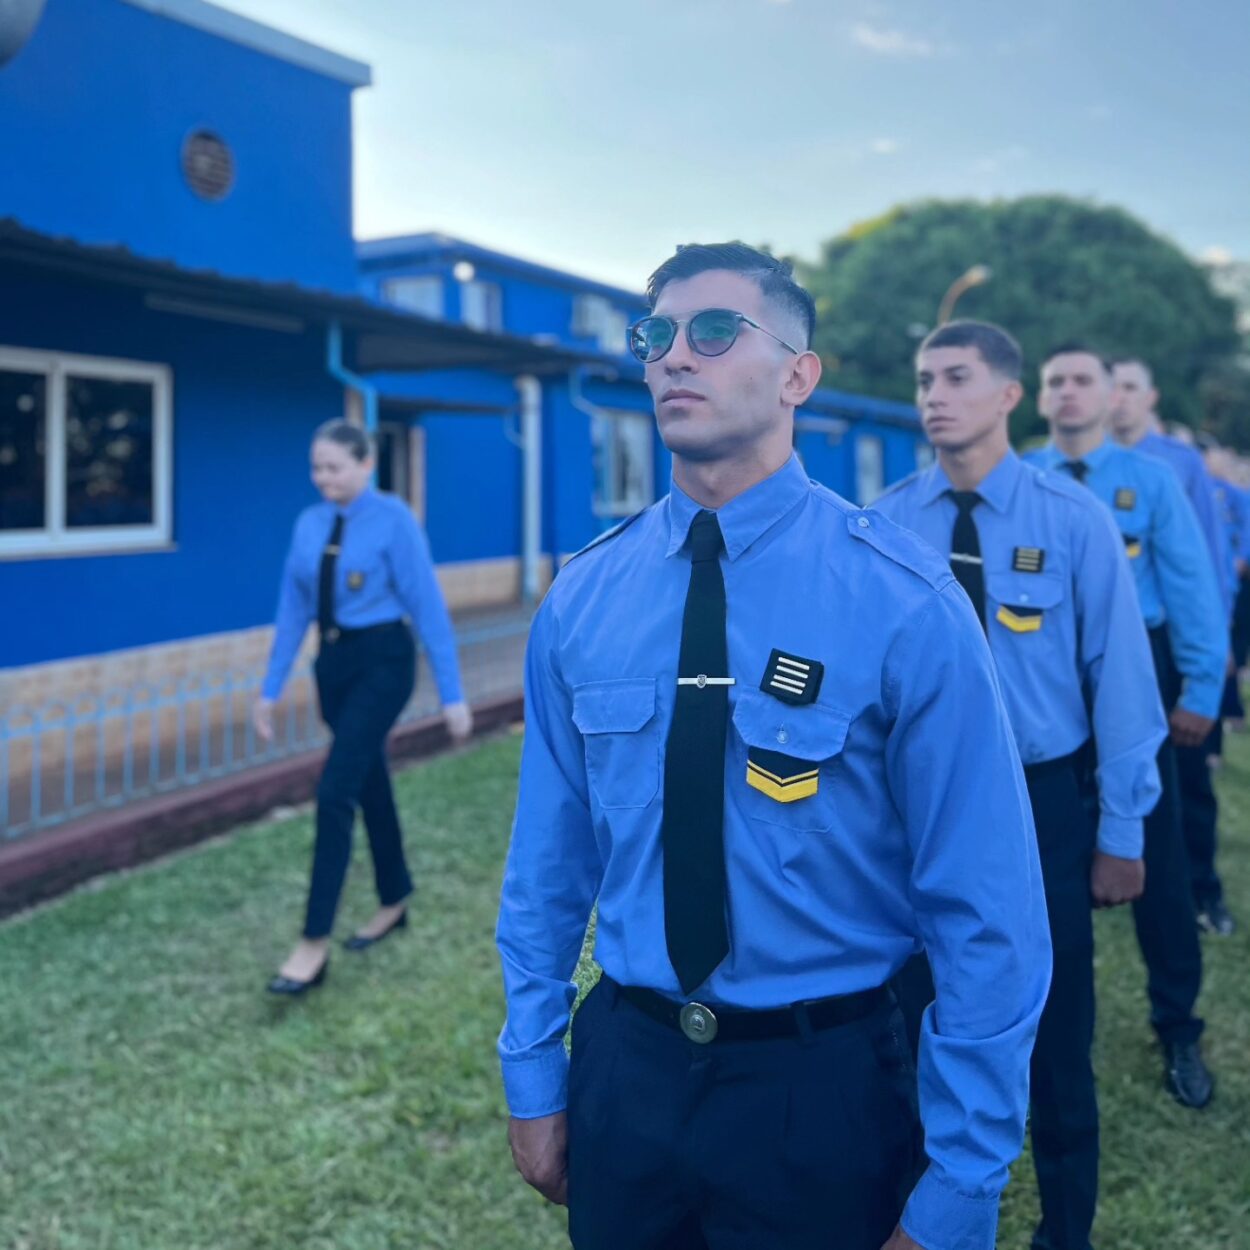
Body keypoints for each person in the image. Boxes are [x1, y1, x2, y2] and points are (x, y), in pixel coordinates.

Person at [495, 243, 1051, 1250]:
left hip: (822, 1083)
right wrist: (533, 1071)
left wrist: (963, 1176)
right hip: (629, 1067)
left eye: (712, 332)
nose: (672, 357)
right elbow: (547, 862)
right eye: (653, 336)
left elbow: (986, 908)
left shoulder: (902, 599)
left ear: (798, 373)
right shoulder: (583, 595)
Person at [873, 321, 1165, 1250]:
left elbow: (1121, 683)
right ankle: (923, 1215)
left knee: (1055, 1026)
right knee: (916, 1012)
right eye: (924, 379)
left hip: (1042, 805)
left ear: (1008, 395)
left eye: (956, 377)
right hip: (917, 809)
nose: (933, 396)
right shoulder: (882, 524)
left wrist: (1123, 828)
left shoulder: (1071, 519)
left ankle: (1064, 1230)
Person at [1026, 347, 1225, 1107]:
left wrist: (1202, 685)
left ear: (1113, 397)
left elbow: (1191, 586)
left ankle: (1179, 1028)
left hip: (1143, 674)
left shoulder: (1151, 482)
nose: (1068, 392)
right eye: (1056, 380)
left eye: (1083, 380)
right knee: (1040, 867)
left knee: (1158, 860)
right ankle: (1035, 1024)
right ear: (1035, 397)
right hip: (1047, 685)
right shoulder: (1020, 478)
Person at [255, 419, 472, 995]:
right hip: (333, 667)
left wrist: (452, 695)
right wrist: (270, 688)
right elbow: (291, 609)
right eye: (315, 467)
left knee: (335, 790)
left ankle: (312, 945)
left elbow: (427, 605)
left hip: (383, 662)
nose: (321, 477)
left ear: (364, 464)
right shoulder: (309, 523)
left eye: (333, 466)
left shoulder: (394, 520)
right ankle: (395, 899)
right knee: (368, 780)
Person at [1109, 360, 1237, 936]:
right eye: (1109, 386)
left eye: (1130, 387)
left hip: (1162, 643)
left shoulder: (1179, 464)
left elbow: (1207, 560)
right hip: (1096, 651)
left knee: (1186, 777)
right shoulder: (1072, 462)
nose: (1118, 399)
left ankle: (1205, 893)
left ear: (1150, 396)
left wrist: (1214, 653)